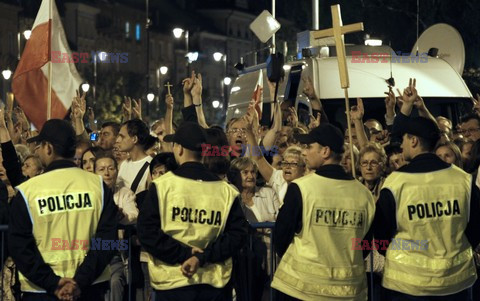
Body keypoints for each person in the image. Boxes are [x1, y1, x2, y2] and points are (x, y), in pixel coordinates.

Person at [137, 121, 248, 301]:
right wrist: (202, 257)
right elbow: (238, 235)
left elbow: (147, 232)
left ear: (179, 149)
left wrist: (185, 255)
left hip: (172, 281)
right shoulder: (226, 191)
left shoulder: (162, 186)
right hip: (214, 283)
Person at [8, 119, 118, 300]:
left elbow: (20, 247)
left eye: (40, 146)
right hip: (89, 288)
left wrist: (53, 282)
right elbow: (108, 239)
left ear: (48, 148)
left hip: (41, 291)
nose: (38, 150)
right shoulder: (97, 186)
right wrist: (80, 281)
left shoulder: (29, 191)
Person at [374, 116, 480, 300]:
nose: (402, 146)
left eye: (405, 139)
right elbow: (476, 229)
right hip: (456, 283)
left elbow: (381, 238)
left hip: (406, 286)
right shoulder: (463, 180)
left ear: (414, 140)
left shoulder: (395, 183)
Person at [271, 124, 375, 300]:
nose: (305, 152)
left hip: (300, 289)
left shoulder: (302, 188)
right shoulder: (364, 194)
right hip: (348, 291)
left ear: (325, 151)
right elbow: (365, 244)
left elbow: (281, 236)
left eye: (310, 147)